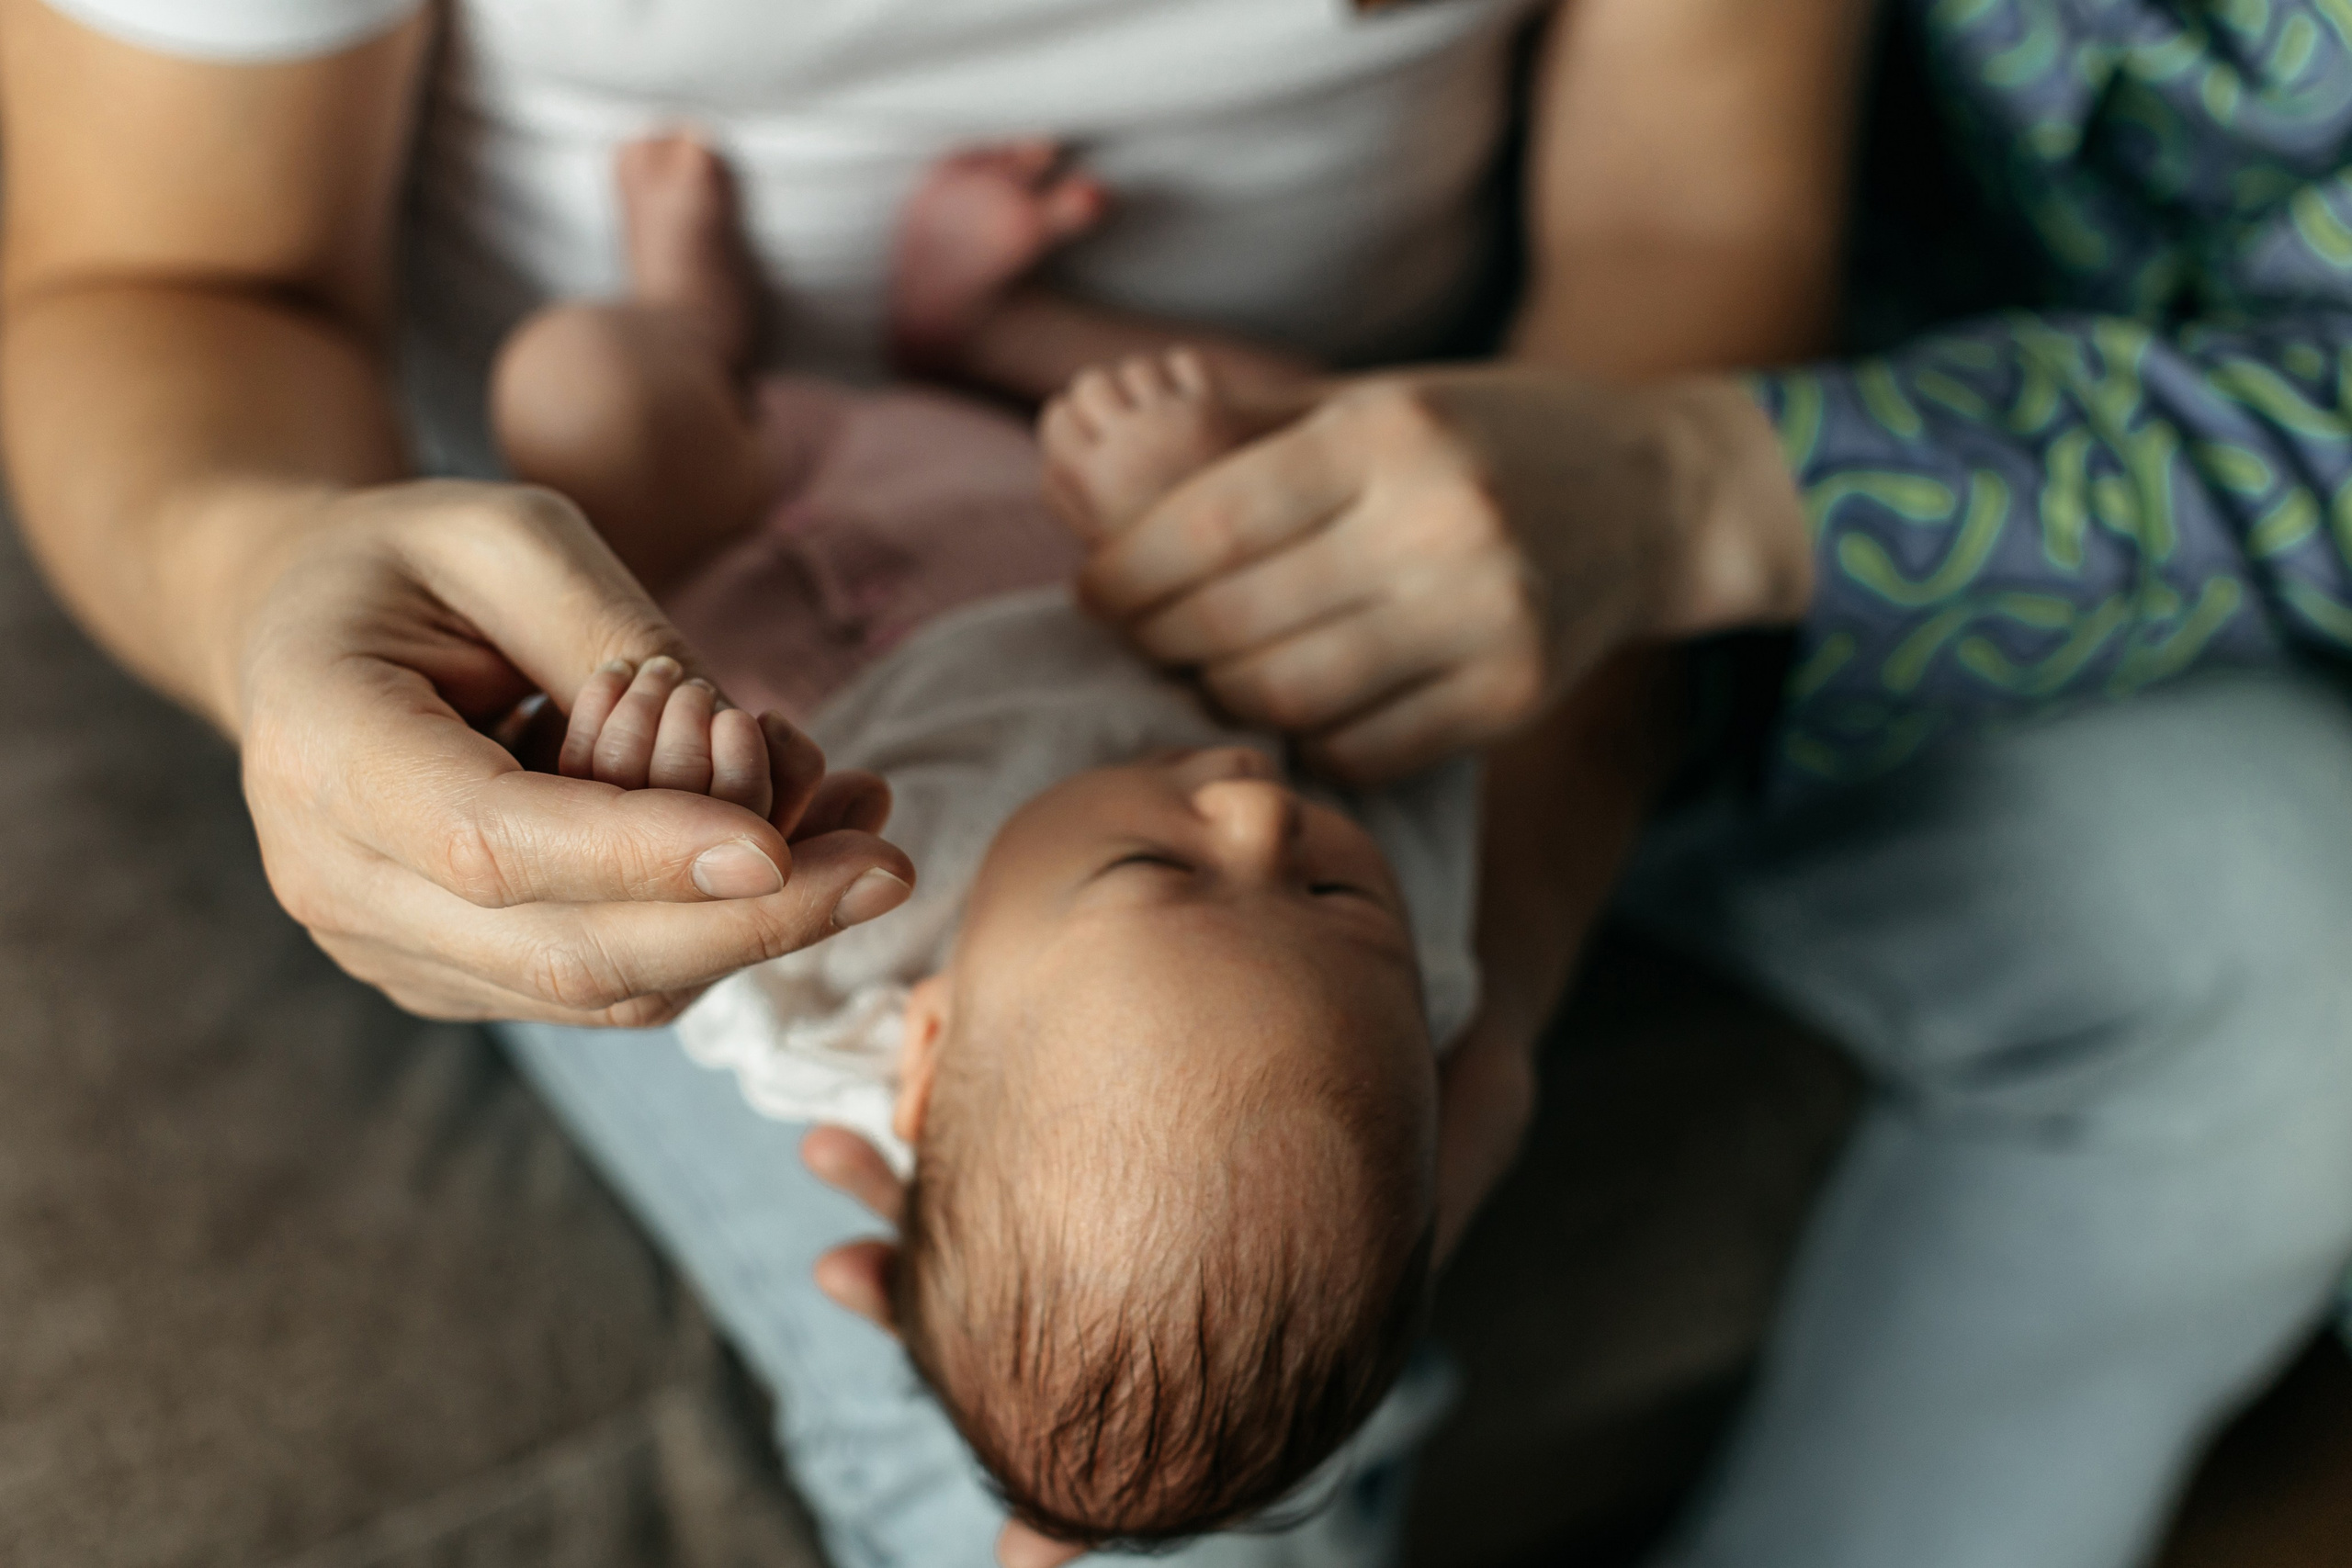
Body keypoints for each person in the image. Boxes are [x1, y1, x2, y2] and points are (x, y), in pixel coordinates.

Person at [0, 0, 1870, 1563]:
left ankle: (698, 333)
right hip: (1083, 476)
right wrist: (262, 578)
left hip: (749, 539)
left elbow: (1693, 225)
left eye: (1169, 870)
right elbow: (154, 274)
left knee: (595, 398)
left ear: (927, 1051)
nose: (1246, 803)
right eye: (1331, 887)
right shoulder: (1405, 938)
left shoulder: (840, 957)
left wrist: (660, 751)